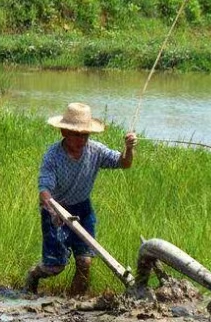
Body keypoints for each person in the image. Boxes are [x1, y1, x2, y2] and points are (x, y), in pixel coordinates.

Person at [24, 102, 137, 296]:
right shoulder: (53, 156)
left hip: (83, 210)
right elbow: (44, 191)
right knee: (56, 266)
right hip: (55, 210)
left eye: (85, 134)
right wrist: (54, 211)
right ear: (64, 132)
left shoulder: (96, 151)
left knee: (85, 262)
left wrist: (128, 148)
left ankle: (73, 303)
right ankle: (33, 275)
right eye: (76, 134)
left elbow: (123, 163)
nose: (81, 139)